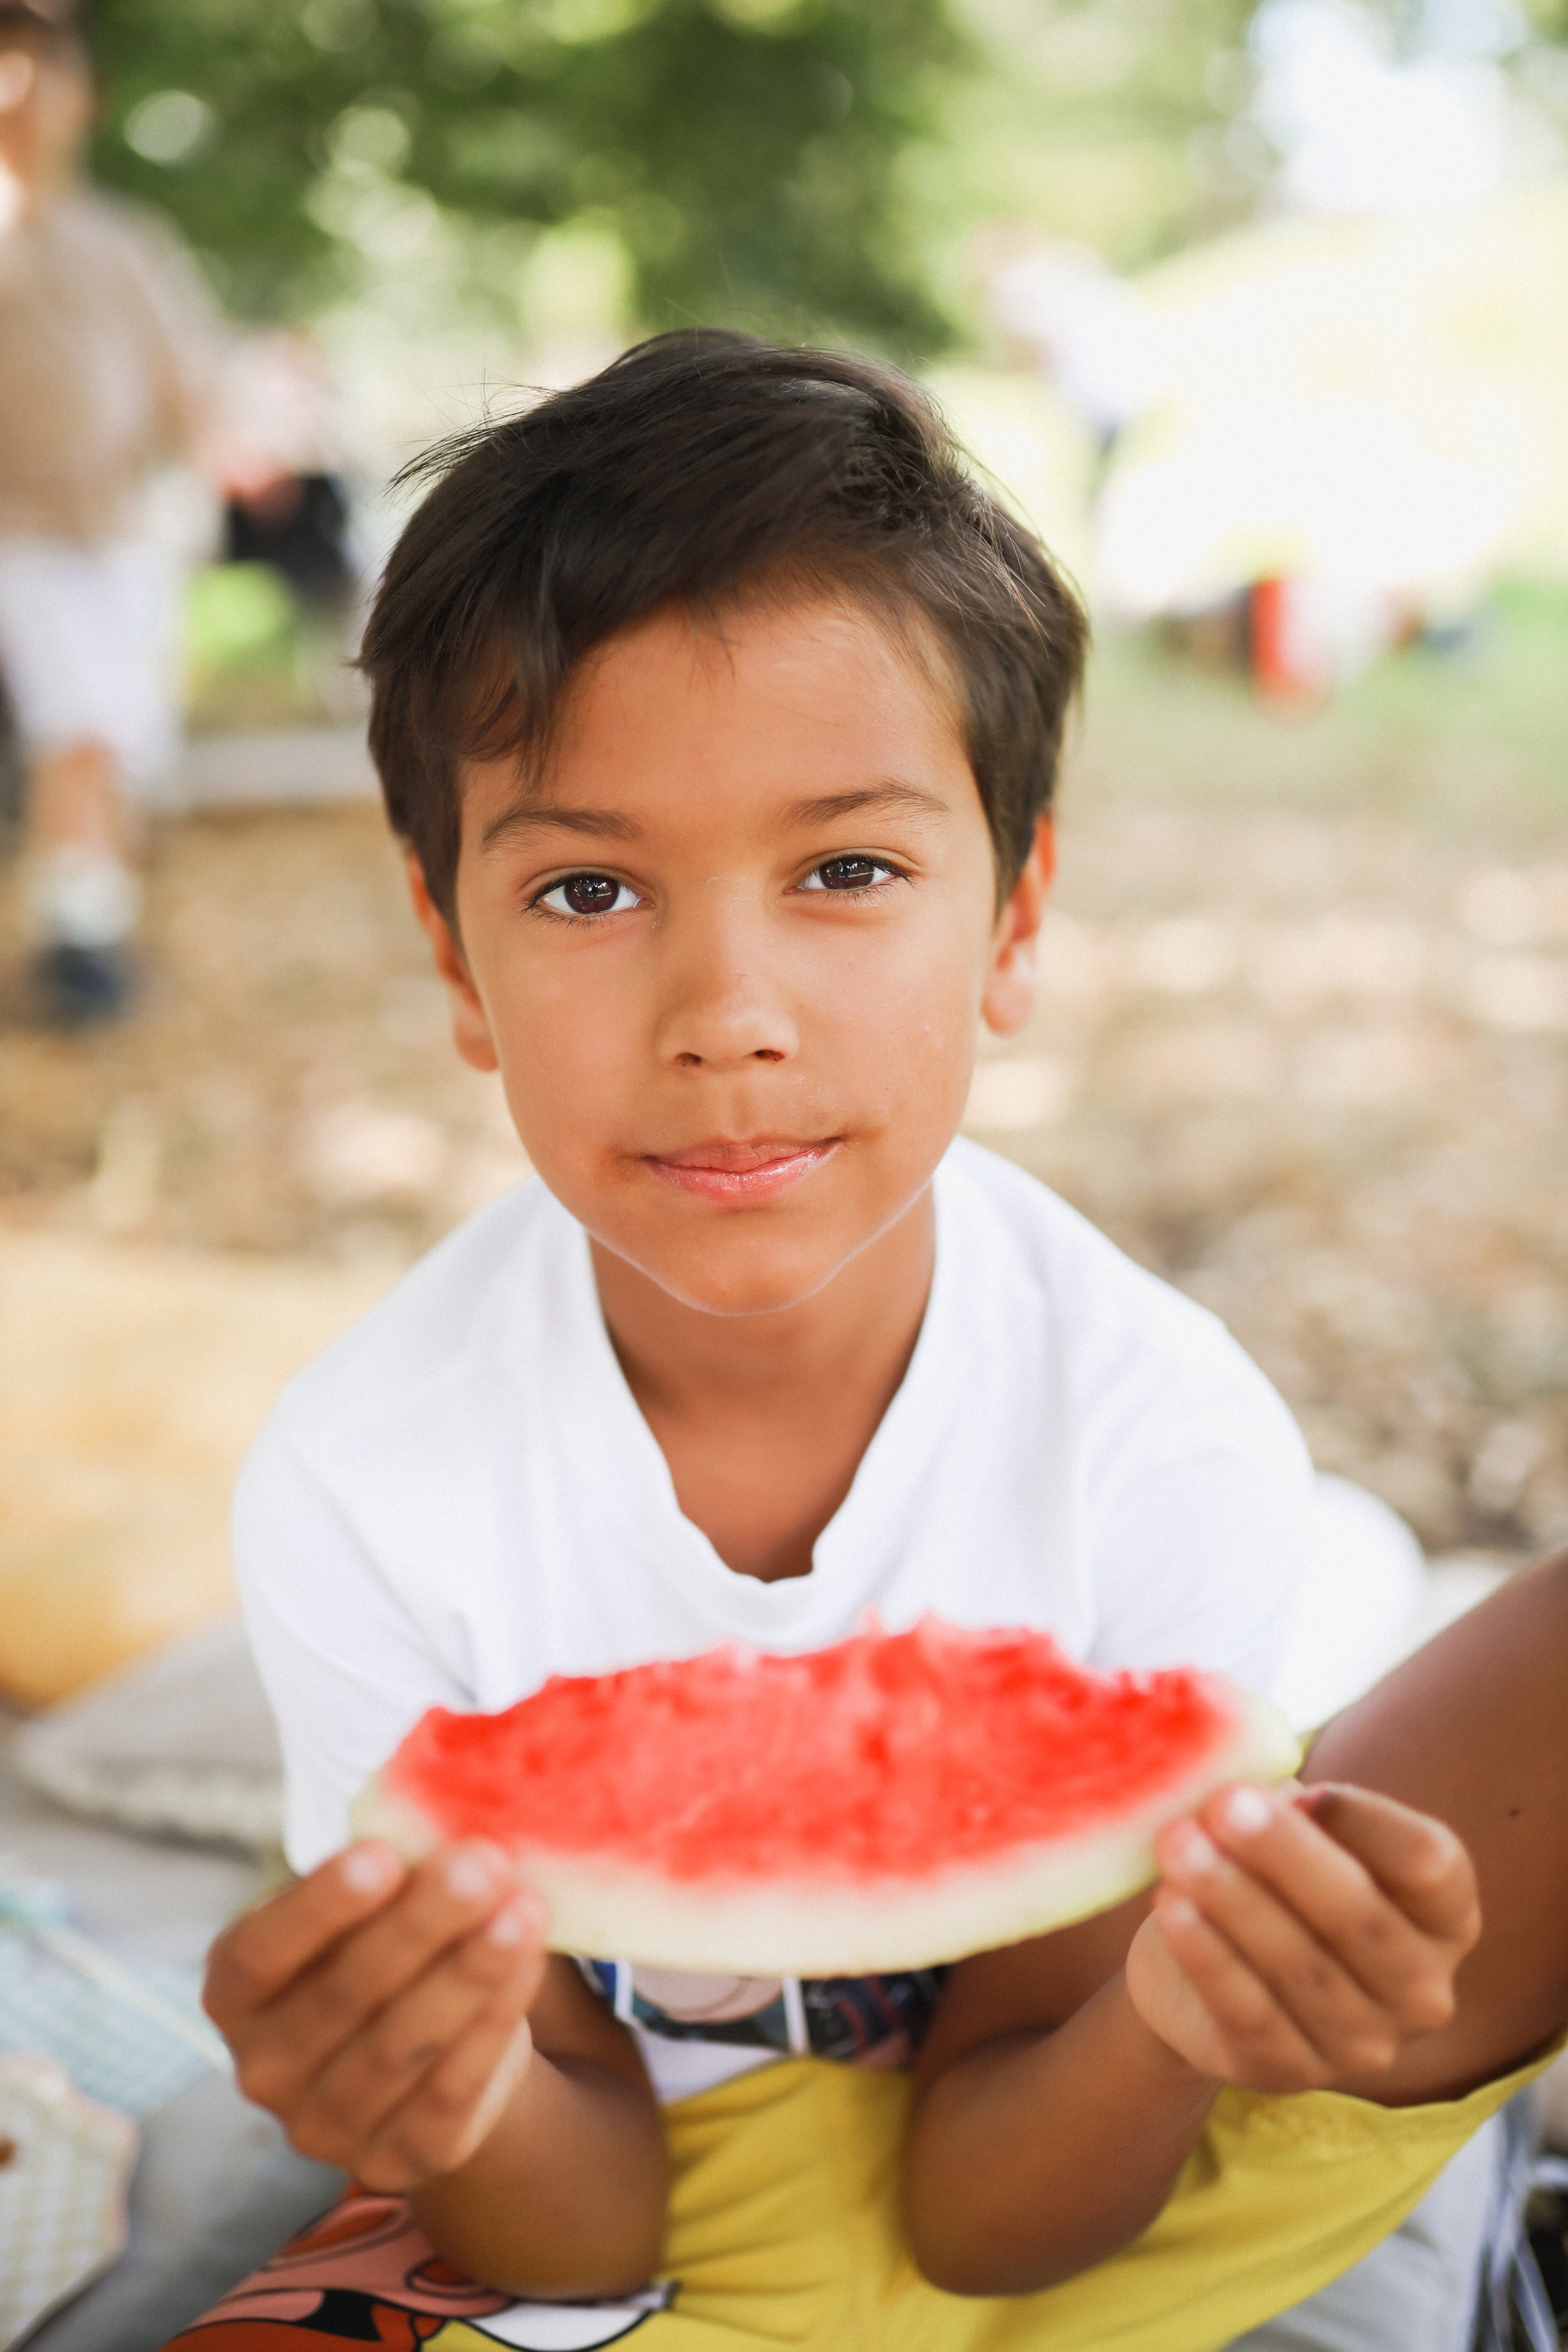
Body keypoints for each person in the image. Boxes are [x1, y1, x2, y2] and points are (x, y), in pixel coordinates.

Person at [181, 336, 1566, 2352]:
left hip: (1070, 2173)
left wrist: (1185, 2007)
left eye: (846, 872)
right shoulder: (364, 1478)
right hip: (627, 2224)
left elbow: (1002, 2223)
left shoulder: (1162, 1441)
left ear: (1013, 919)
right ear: (450, 955)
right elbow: (566, 2232)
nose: (726, 1010)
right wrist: (436, 2080)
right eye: (588, 887)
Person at [0, 0, 216, 1023]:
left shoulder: (126, 242)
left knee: (122, 743)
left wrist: (222, 445)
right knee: (77, 728)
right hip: (22, 534)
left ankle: (96, 922)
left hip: (122, 538)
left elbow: (187, 381)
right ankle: (75, 946)